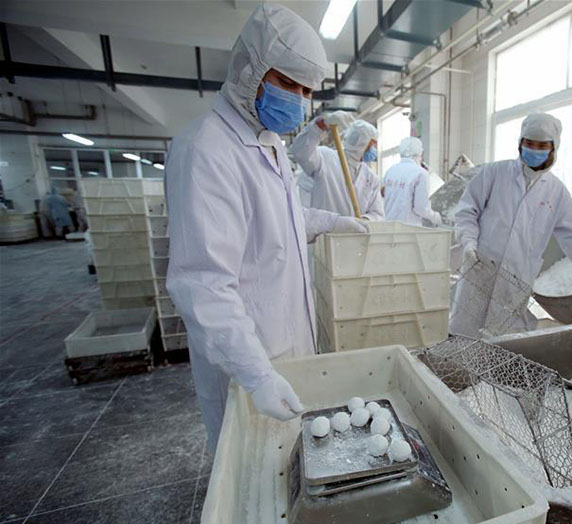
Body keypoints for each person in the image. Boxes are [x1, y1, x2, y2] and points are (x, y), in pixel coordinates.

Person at [165, 4, 366, 452]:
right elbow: (202, 283)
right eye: (286, 82)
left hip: (289, 348)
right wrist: (255, 373)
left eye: (306, 89)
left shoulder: (270, 145)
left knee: (292, 469)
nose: (298, 98)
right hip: (246, 363)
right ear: (249, 69)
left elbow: (284, 223)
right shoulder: (207, 150)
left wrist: (334, 222)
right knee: (254, 478)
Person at [450, 112, 572, 337]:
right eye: (529, 144)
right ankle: (456, 369)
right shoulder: (493, 174)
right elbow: (467, 212)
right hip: (480, 265)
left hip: (517, 276)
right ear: (520, 144)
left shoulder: (556, 192)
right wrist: (468, 242)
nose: (534, 150)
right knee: (464, 327)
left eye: (542, 145)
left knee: (503, 336)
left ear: (553, 148)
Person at [291, 113, 384, 220]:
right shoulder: (325, 157)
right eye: (372, 144)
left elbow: (378, 214)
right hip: (325, 233)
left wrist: (366, 220)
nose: (374, 149)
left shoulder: (371, 177)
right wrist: (320, 126)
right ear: (361, 142)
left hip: (355, 234)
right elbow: (300, 151)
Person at [382, 137, 442, 226]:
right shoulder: (421, 173)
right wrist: (436, 218)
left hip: (389, 225)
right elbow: (420, 208)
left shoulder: (390, 170)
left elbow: (385, 197)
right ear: (419, 153)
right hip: (409, 229)